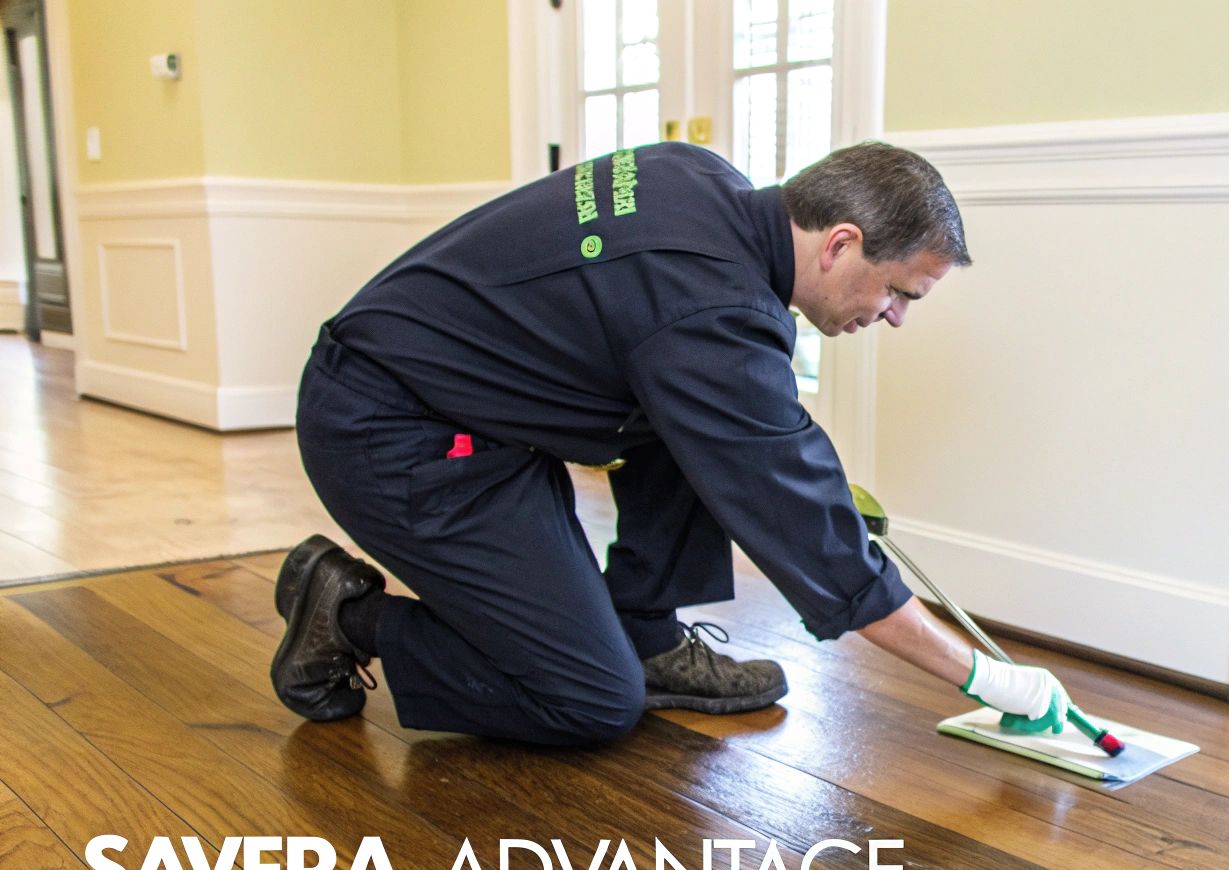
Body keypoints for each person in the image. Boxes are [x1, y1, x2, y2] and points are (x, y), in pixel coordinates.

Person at [271, 141, 1072, 746]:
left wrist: (806, 488)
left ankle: (645, 635)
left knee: (692, 435)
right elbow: (809, 530)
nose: (894, 317)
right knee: (590, 700)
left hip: (471, 418)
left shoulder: (698, 177)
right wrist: (984, 676)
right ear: (839, 244)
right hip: (392, 432)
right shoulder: (709, 310)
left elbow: (751, 429)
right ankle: (348, 617)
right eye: (899, 292)